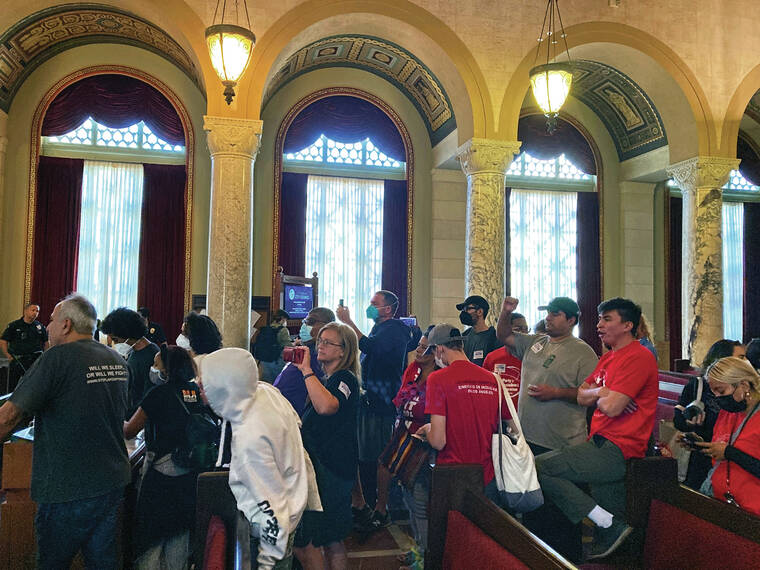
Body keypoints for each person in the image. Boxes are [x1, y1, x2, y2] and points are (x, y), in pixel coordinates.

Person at [0, 294, 130, 568]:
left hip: (67, 487)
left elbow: (9, 417)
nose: (47, 327)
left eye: (51, 320)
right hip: (111, 480)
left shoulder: (56, 358)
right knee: (102, 562)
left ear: (66, 324)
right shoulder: (116, 360)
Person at [536, 297, 659, 561]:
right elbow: (582, 396)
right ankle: (607, 524)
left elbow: (613, 407)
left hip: (618, 447)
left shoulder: (638, 357)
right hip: (599, 442)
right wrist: (601, 392)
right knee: (611, 544)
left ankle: (605, 522)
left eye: (607, 319)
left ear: (627, 325)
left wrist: (600, 395)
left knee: (539, 467)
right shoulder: (607, 358)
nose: (599, 325)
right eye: (599, 318)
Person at [201, 348, 315, 569]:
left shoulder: (242, 419)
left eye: (206, 381)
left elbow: (223, 476)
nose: (199, 385)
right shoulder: (264, 391)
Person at [123, 345, 206, 568]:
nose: (153, 368)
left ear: (167, 369)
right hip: (190, 470)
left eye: (156, 364)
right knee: (179, 533)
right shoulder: (195, 391)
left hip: (162, 470)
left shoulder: (158, 394)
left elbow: (130, 430)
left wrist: (113, 420)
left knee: (152, 534)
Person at [337, 290, 413, 516]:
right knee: (365, 452)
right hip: (370, 400)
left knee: (376, 455)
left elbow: (372, 348)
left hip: (381, 401)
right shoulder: (380, 328)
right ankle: (366, 501)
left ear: (387, 309)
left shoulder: (395, 330)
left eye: (374, 304)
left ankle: (377, 505)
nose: (369, 307)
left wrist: (348, 322)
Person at [292, 322, 361, 570]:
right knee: (328, 538)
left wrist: (306, 371)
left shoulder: (345, 378)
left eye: (328, 342)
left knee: (325, 538)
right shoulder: (329, 379)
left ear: (343, 351)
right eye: (320, 341)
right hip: (325, 467)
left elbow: (326, 407)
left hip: (332, 469)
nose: (320, 346)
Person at [418, 324, 510, 503]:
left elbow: (438, 441)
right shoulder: (493, 379)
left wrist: (428, 429)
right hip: (488, 476)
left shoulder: (438, 379)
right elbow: (510, 425)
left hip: (453, 475)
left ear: (439, 349)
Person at [496, 296, 599, 454]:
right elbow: (504, 336)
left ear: (571, 320)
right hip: (527, 437)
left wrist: (556, 393)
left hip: (561, 443)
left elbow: (592, 395)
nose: (548, 318)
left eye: (555, 314)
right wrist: (506, 312)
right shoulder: (535, 342)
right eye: (548, 313)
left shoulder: (584, 352)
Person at [369, 326, 436, 549]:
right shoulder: (413, 370)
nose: (418, 351)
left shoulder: (438, 378)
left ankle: (425, 554)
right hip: (403, 432)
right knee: (407, 497)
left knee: (419, 502)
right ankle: (418, 550)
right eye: (419, 346)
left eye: (424, 348)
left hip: (422, 441)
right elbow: (401, 398)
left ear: (435, 353)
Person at [674, 339, 745, 490]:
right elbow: (678, 419)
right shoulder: (698, 386)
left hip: (732, 463)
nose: (745, 363)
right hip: (701, 460)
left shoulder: (741, 394)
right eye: (740, 358)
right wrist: (689, 426)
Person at [694, 356, 760, 516]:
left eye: (721, 391)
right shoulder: (728, 412)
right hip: (721, 501)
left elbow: (730, 451)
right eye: (714, 393)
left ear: (744, 385)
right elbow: (721, 447)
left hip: (753, 511)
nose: (718, 398)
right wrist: (699, 444)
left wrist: (730, 453)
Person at [274, 307, 335, 415]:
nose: (304, 325)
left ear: (327, 327)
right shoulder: (305, 350)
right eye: (304, 321)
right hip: (280, 410)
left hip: (294, 415)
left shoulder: (321, 357)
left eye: (310, 322)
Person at [100, 307, 160, 417]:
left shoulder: (151, 356)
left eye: (116, 340)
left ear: (128, 334)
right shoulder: (135, 351)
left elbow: (149, 399)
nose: (115, 344)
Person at [1, 303, 48, 393]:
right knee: (12, 386)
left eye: (37, 311)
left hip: (34, 360)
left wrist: (45, 356)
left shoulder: (39, 327)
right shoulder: (14, 325)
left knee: (33, 386)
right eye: (33, 310)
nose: (35, 313)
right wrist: (8, 355)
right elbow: (3, 341)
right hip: (18, 360)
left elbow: (46, 342)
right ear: (25, 311)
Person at [457, 295, 503, 367]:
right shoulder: (463, 337)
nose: (464, 312)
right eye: (463, 310)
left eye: (468, 309)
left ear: (480, 312)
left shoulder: (494, 338)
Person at [256, 310, 293, 383]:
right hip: (276, 360)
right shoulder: (283, 330)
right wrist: (295, 343)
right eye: (285, 320)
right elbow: (288, 346)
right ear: (282, 319)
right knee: (277, 382)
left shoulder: (267, 328)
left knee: (267, 382)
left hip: (264, 360)